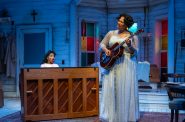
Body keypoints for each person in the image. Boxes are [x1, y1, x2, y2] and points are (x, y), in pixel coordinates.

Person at [100, 13, 139, 122]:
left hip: (126, 65)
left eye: (121, 21)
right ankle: (111, 115)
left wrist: (130, 45)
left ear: (127, 24)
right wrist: (106, 50)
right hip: (112, 63)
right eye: (119, 20)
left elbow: (134, 53)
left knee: (124, 90)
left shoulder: (133, 36)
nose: (119, 22)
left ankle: (124, 116)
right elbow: (102, 44)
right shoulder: (111, 33)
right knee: (112, 88)